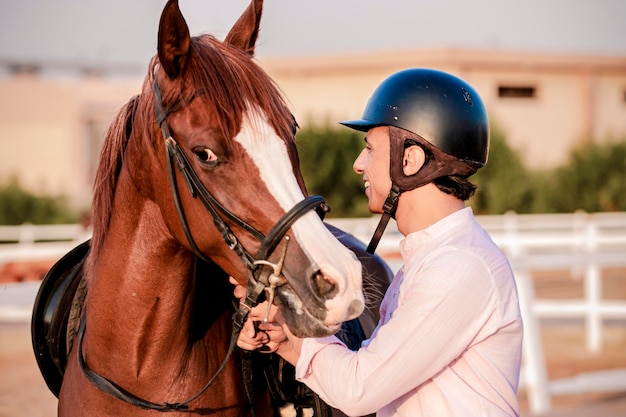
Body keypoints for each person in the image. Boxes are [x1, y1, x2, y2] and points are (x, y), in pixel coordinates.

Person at [234, 68, 523, 416]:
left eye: (369, 148)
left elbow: (359, 388)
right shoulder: (435, 258)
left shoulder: (458, 266)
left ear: (410, 159)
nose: (359, 165)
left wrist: (298, 329)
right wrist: (284, 335)